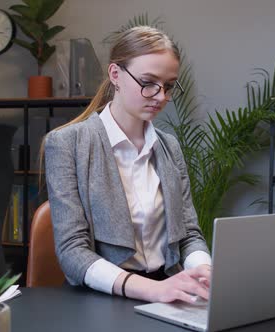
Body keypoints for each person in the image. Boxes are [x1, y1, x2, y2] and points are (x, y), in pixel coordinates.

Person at [44, 26, 211, 303]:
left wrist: (203, 270)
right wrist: (152, 290)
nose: (160, 96)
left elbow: (189, 234)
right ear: (115, 75)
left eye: (169, 86)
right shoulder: (66, 144)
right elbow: (73, 252)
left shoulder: (169, 146)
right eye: (148, 82)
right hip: (100, 297)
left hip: (167, 290)